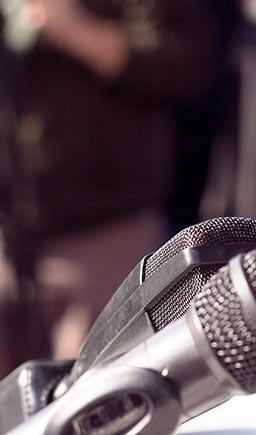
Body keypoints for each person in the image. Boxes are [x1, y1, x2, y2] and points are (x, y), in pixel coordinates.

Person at [0, 0, 218, 370]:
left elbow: (188, 62)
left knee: (102, 403)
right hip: (10, 236)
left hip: (105, 233)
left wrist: (77, 31)